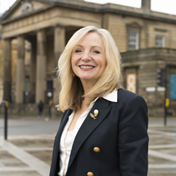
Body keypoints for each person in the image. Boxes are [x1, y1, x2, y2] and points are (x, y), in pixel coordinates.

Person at [50, 26, 148, 176]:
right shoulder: (73, 104)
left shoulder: (128, 104)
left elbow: (134, 172)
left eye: (96, 51)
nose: (85, 57)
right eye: (78, 50)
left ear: (108, 59)